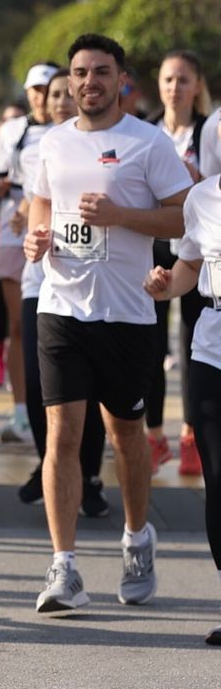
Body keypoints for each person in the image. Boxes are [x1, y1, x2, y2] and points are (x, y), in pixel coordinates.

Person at [26, 33, 191, 614]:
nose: (88, 82)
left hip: (127, 313)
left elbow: (183, 216)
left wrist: (122, 216)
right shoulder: (52, 142)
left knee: (125, 435)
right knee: (62, 435)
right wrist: (36, 236)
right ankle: (63, 567)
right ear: (68, 81)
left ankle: (137, 537)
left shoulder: (147, 144)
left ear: (121, 80)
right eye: (79, 72)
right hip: (62, 306)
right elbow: (41, 205)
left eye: (100, 72)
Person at [14, 70, 109, 517]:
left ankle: (88, 474)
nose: (61, 102)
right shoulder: (41, 148)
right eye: (53, 95)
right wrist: (28, 226)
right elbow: (34, 204)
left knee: (86, 389)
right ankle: (48, 460)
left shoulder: (97, 146)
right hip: (42, 282)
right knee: (40, 383)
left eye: (66, 94)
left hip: (92, 283)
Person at [145, 169, 221, 643]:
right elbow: (190, 268)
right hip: (212, 345)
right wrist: (167, 284)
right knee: (218, 477)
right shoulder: (203, 197)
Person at [0, 64, 59, 443]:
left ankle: (61, 409)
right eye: (34, 89)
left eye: (47, 88)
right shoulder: (14, 130)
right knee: (19, 325)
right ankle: (21, 412)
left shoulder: (70, 131)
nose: (41, 96)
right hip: (15, 235)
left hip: (54, 232)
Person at [148, 50, 210, 475]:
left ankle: (191, 432)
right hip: (152, 246)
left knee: (192, 343)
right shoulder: (146, 131)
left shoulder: (211, 132)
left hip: (200, 250)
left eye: (183, 79)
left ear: (197, 85)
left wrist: (197, 180)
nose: (175, 87)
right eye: (169, 79)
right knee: (150, 344)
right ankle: (153, 434)